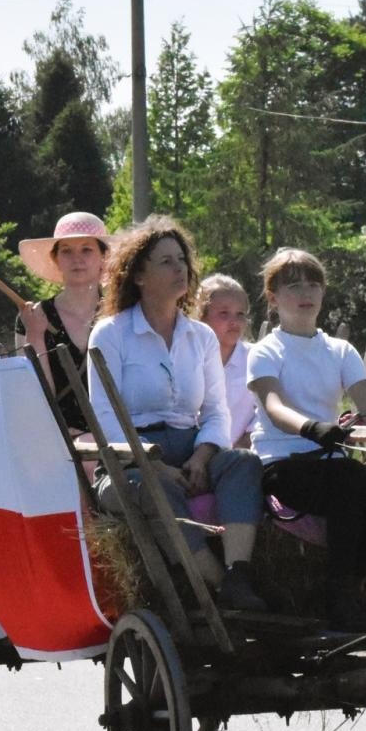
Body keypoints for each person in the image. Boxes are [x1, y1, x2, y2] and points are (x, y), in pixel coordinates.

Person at [85, 217, 270, 612]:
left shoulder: (200, 337)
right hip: (128, 461)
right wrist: (152, 464)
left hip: (190, 448)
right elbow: (104, 417)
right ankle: (215, 585)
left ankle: (238, 575)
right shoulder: (111, 334)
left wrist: (202, 455)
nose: (179, 269)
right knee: (158, 488)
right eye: (166, 261)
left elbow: (216, 411)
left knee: (243, 463)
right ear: (138, 275)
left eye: (182, 260)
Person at [247, 248, 366, 632]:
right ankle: (339, 596)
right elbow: (273, 406)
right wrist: (311, 428)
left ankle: (351, 587)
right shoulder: (265, 351)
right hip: (282, 466)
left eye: (313, 284)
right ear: (273, 297)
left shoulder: (340, 350)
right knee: (349, 478)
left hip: (329, 465)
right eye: (293, 286)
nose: (305, 293)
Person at [15, 212, 111, 434]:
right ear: (56, 259)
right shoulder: (33, 317)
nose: (77, 259)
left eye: (87, 249)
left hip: (119, 436)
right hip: (57, 438)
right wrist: (35, 335)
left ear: (103, 258)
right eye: (66, 251)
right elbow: (35, 395)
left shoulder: (122, 314)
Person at [197, 274, 256, 448]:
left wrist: (236, 452)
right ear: (202, 316)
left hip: (240, 454)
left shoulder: (256, 358)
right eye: (224, 313)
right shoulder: (187, 358)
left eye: (240, 314)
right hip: (190, 453)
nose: (234, 322)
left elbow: (261, 419)